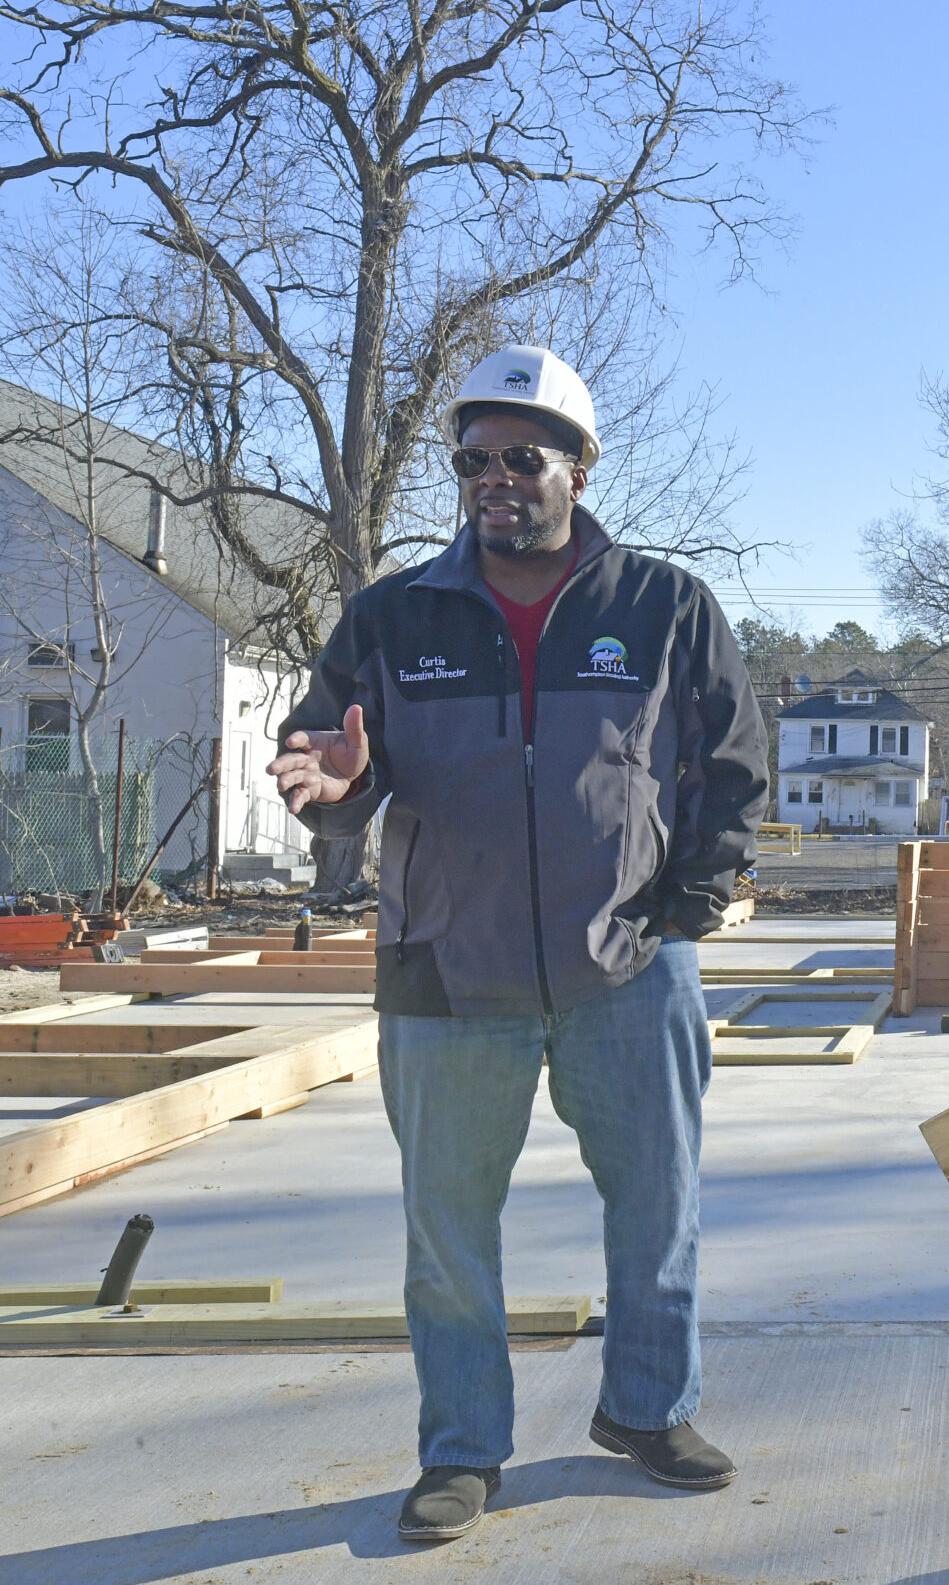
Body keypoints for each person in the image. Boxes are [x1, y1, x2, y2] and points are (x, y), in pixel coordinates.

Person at [267, 346, 768, 1542]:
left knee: (659, 1206)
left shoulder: (663, 605)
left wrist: (680, 910)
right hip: (447, 974)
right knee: (448, 1234)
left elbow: (736, 764)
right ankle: (461, 1449)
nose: (495, 478)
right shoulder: (394, 616)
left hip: (629, 972)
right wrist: (332, 789)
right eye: (474, 459)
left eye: (522, 457)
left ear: (578, 468)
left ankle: (648, 1409)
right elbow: (328, 758)